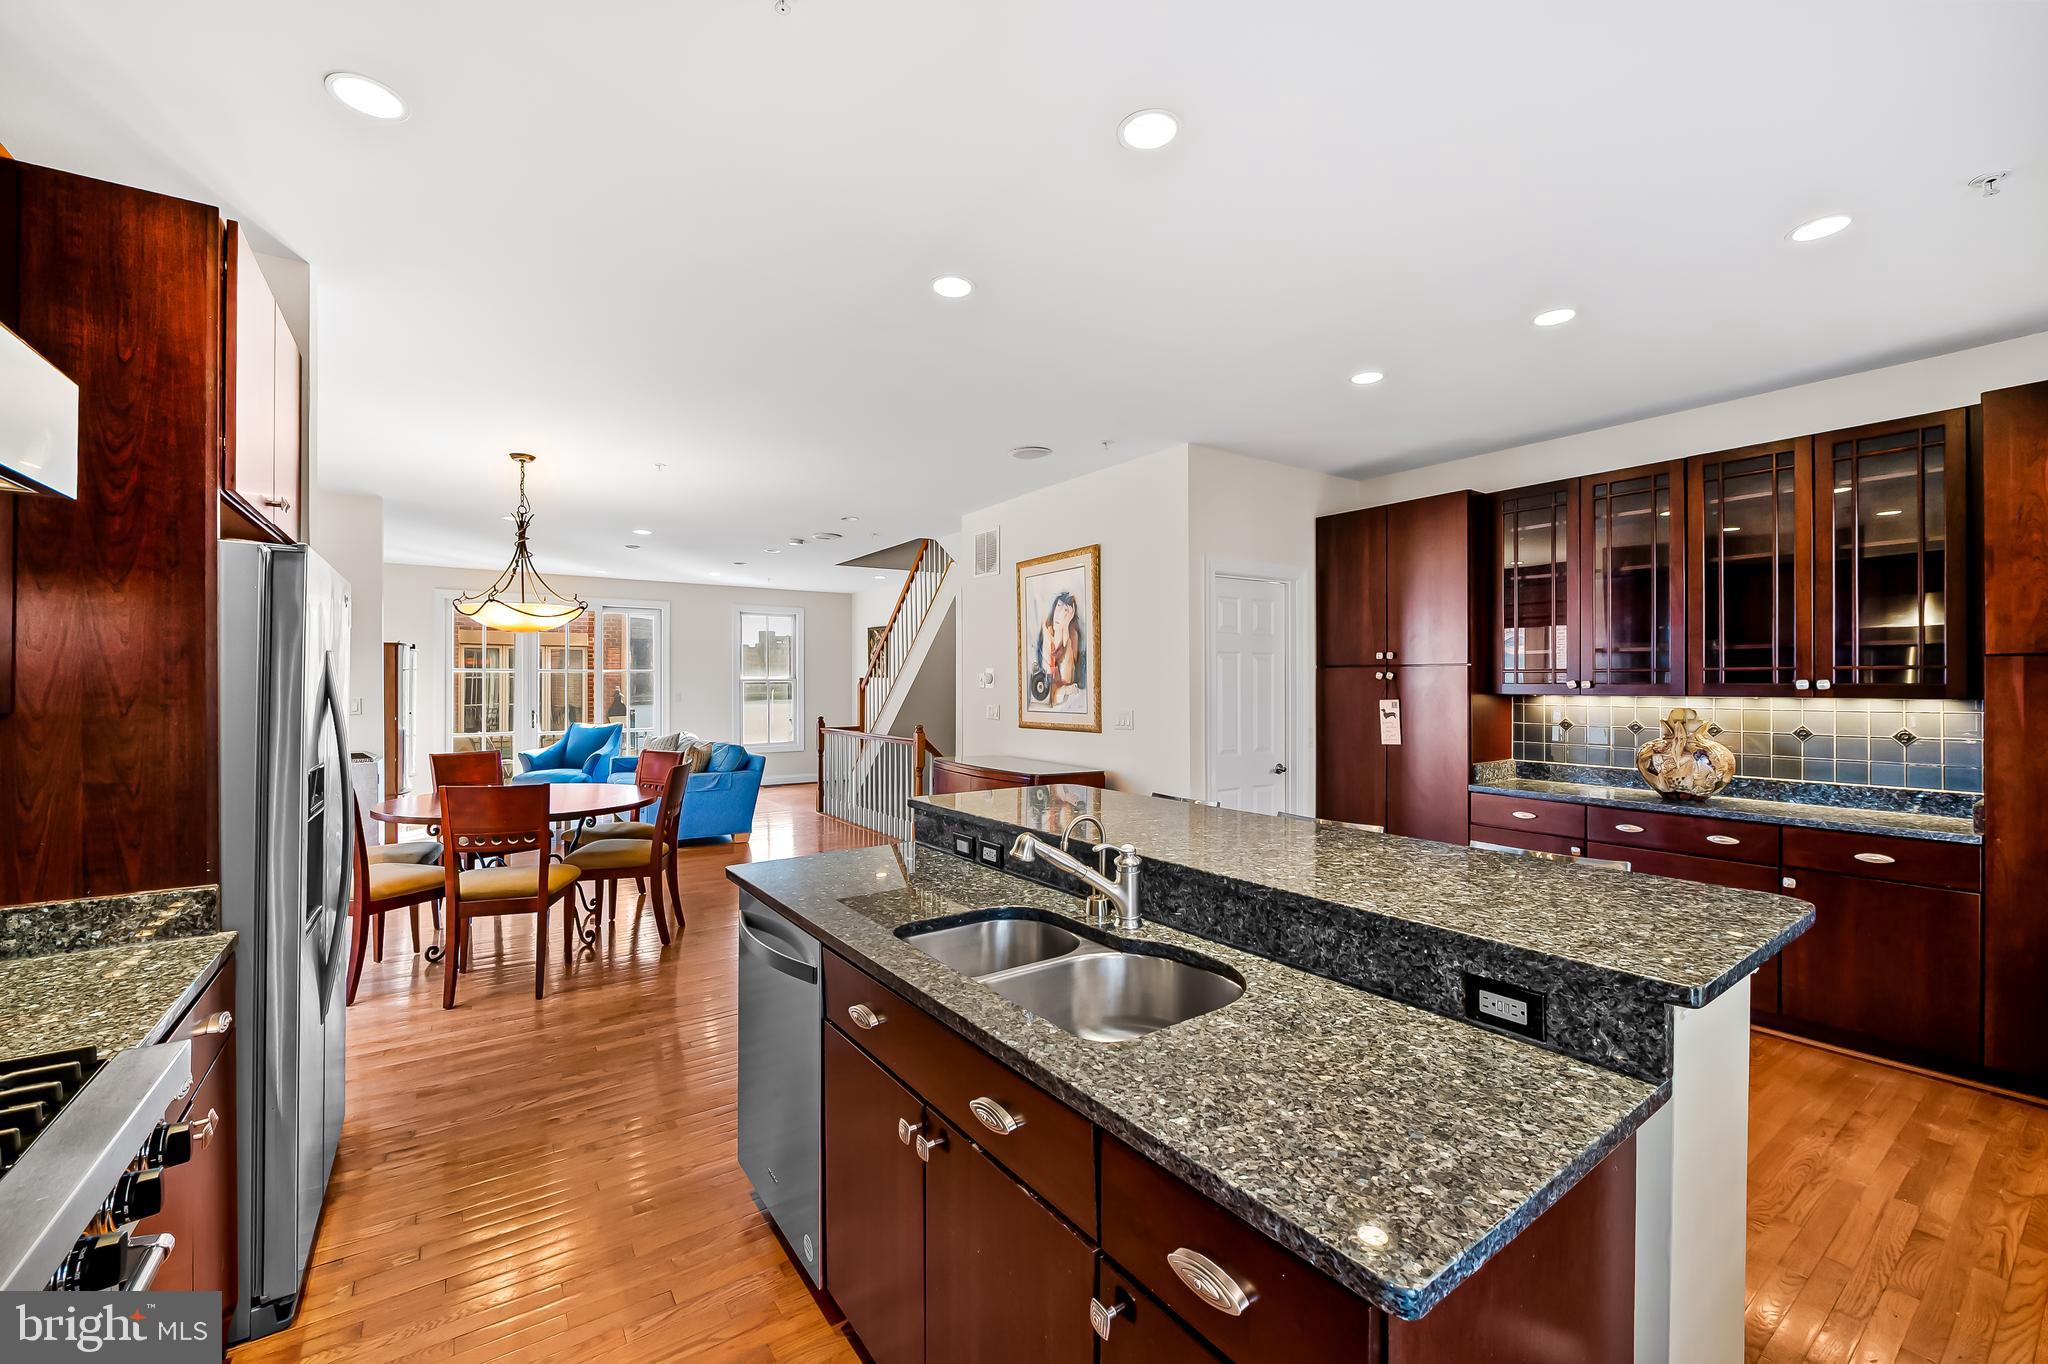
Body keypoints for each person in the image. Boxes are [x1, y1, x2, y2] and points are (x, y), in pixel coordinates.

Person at [1032, 590, 1087, 709]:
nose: (1059, 613)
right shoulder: (1047, 626)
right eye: (1059, 605)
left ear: (1070, 615)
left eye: (1066, 610)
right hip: (1046, 687)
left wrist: (1065, 627)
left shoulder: (1072, 633)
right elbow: (1048, 669)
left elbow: (1067, 676)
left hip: (1062, 685)